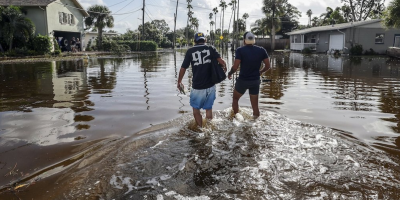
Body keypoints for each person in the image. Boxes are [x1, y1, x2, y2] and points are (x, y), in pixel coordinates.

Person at [177, 32, 227, 127]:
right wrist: (225, 67)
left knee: (196, 110)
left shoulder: (190, 51)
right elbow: (222, 62)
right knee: (209, 109)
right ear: (205, 40)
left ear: (195, 41)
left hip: (197, 87)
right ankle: (208, 128)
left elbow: (183, 68)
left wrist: (179, 81)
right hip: (211, 85)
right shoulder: (211, 48)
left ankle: (200, 129)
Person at [228, 32, 271, 118]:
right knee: (255, 107)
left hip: (243, 81)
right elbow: (268, 66)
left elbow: (235, 67)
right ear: (254, 40)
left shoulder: (240, 50)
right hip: (255, 81)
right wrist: (260, 71)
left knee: (235, 99)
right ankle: (255, 121)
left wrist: (230, 73)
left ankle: (236, 118)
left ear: (244, 40)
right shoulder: (262, 50)